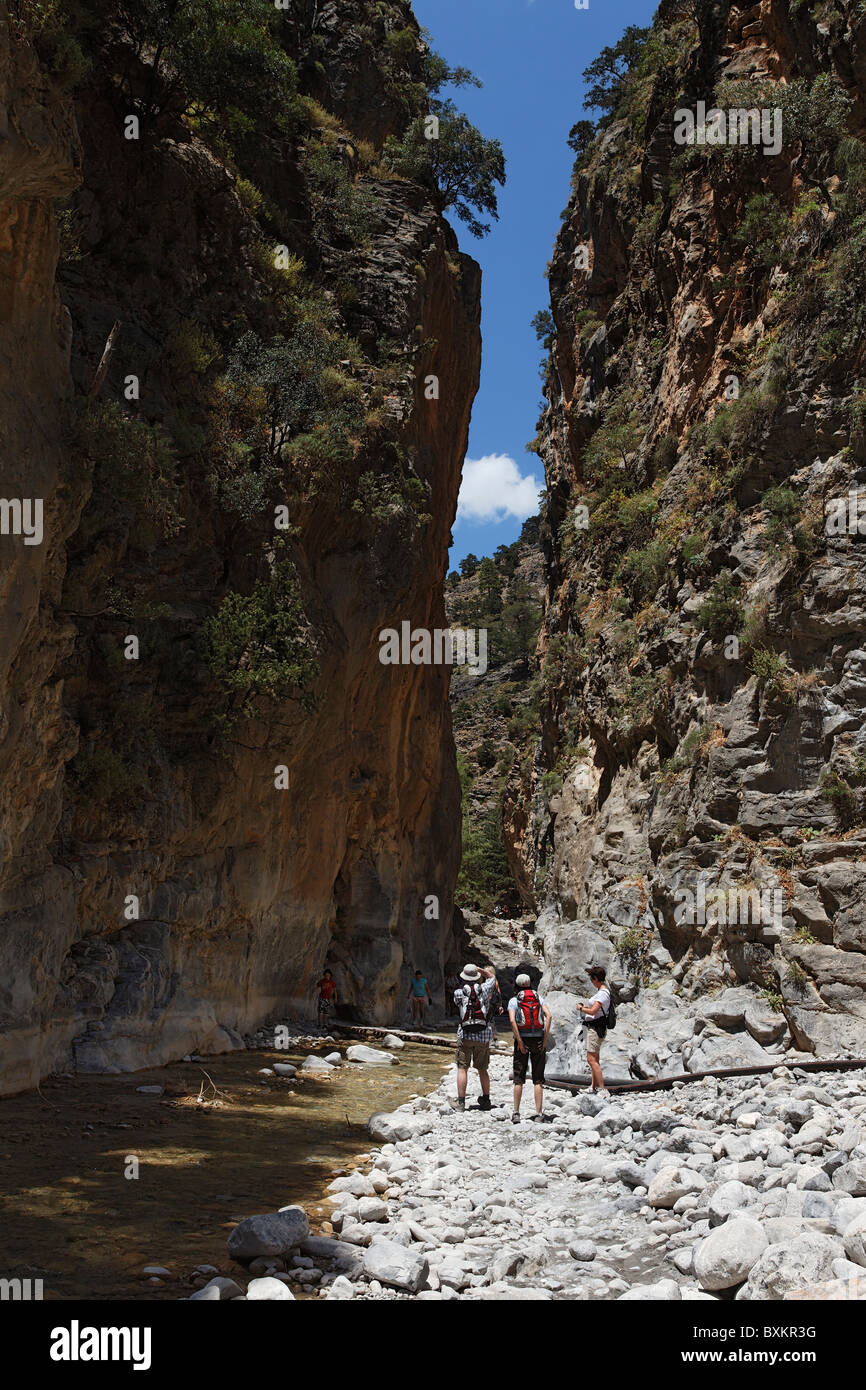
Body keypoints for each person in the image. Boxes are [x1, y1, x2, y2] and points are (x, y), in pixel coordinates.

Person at [508, 972, 553, 1123]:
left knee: (518, 1078)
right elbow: (549, 1016)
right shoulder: (539, 998)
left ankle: (516, 1113)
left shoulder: (514, 1001)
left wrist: (520, 1041)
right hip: (538, 1040)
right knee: (538, 1079)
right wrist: (545, 1039)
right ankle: (539, 1114)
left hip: (523, 1041)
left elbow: (513, 1021)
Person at [453, 963, 498, 1112]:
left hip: (465, 1034)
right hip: (483, 1035)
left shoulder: (458, 993)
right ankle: (486, 1101)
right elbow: (492, 977)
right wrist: (479, 969)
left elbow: (457, 1005)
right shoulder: (485, 989)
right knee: (482, 1069)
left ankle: (460, 1103)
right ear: (477, 976)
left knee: (462, 1069)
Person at [578, 965, 611, 1094]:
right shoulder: (603, 992)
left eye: (592, 979)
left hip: (595, 1029)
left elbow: (593, 1011)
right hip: (596, 1028)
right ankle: (593, 1087)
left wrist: (581, 1008)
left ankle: (602, 1089)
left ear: (596, 979)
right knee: (595, 1059)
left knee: (591, 1059)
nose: (592, 982)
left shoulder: (602, 994)